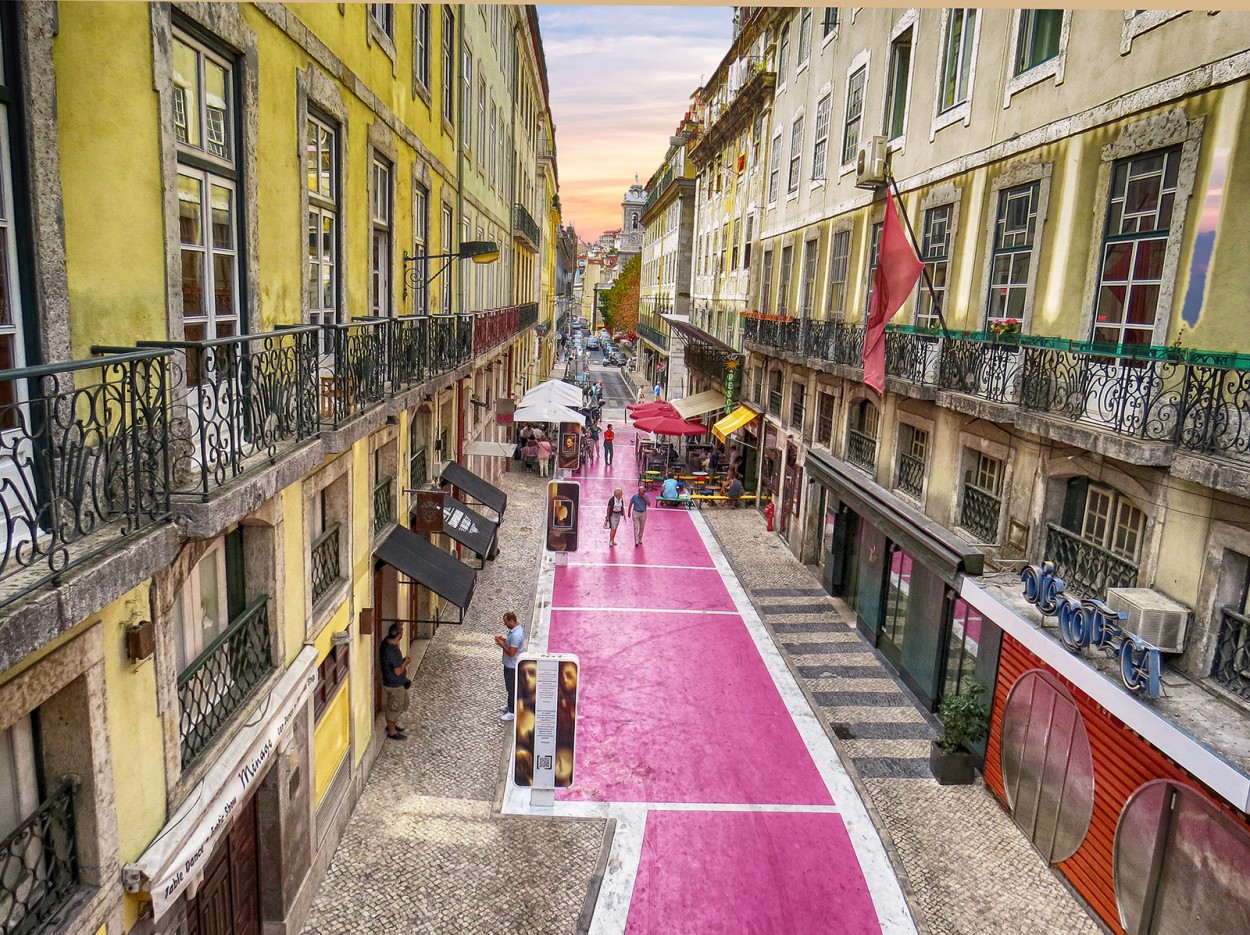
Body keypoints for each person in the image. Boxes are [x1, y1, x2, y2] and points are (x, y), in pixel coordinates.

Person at [379, 624, 411, 741]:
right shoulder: (392, 650)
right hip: (394, 684)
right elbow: (397, 671)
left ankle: (392, 723)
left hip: (397, 683)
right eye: (402, 631)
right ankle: (392, 731)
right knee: (395, 708)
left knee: (403, 703)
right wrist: (405, 663)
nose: (403, 632)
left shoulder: (386, 643)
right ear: (398, 635)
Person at [494, 611, 526, 722]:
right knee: (510, 688)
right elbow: (511, 643)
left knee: (512, 689)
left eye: (506, 622)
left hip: (512, 666)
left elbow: (512, 653)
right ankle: (510, 705)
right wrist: (504, 640)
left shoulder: (516, 635)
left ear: (512, 621)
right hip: (509, 665)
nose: (505, 624)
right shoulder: (515, 631)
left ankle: (512, 711)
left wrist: (501, 644)